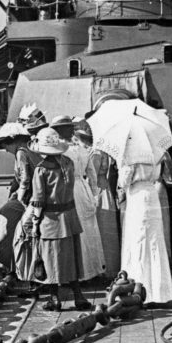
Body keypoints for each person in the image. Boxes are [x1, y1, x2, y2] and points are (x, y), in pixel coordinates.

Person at [17, 128, 91, 311]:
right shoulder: (68, 163)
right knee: (72, 258)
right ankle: (78, 296)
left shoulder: (42, 170)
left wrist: (34, 223)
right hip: (70, 216)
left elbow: (39, 200)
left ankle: (55, 298)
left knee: (51, 259)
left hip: (51, 220)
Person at [120, 150, 172, 304]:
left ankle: (139, 289)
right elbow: (169, 179)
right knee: (154, 241)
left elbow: (124, 181)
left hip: (137, 196)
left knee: (138, 241)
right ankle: (160, 292)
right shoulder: (160, 151)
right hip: (152, 195)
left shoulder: (131, 153)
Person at [61, 119, 107, 280]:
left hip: (69, 189)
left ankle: (77, 271)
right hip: (83, 188)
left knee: (74, 228)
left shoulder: (61, 151)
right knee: (88, 228)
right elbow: (92, 175)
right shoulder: (82, 150)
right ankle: (92, 269)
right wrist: (94, 194)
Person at [0, 123, 32, 273]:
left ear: (13, 141)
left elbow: (25, 179)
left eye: (6, 145)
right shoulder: (28, 149)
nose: (5, 149)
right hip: (28, 195)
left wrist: (19, 196)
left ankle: (7, 257)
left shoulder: (21, 153)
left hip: (28, 198)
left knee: (5, 218)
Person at [81, 127, 122, 275]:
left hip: (98, 189)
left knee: (102, 229)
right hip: (104, 188)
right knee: (106, 229)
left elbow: (92, 176)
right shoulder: (101, 151)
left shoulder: (95, 153)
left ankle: (104, 268)